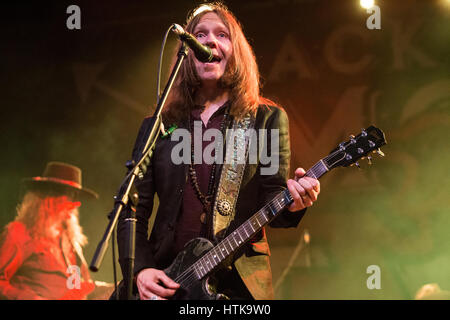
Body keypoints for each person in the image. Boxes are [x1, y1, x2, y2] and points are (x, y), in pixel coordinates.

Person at [117, 2, 320, 300]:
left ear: (236, 51)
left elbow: (273, 200)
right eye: (200, 34)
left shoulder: (265, 119)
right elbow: (130, 208)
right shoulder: (160, 125)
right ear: (188, 52)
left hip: (236, 284)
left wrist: (295, 202)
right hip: (166, 280)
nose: (210, 40)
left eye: (221, 34)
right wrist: (141, 271)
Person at [0, 161, 100, 300]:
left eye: (76, 196)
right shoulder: (19, 233)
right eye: (69, 196)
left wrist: (116, 287)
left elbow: (77, 288)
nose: (75, 205)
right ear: (48, 198)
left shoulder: (70, 241)